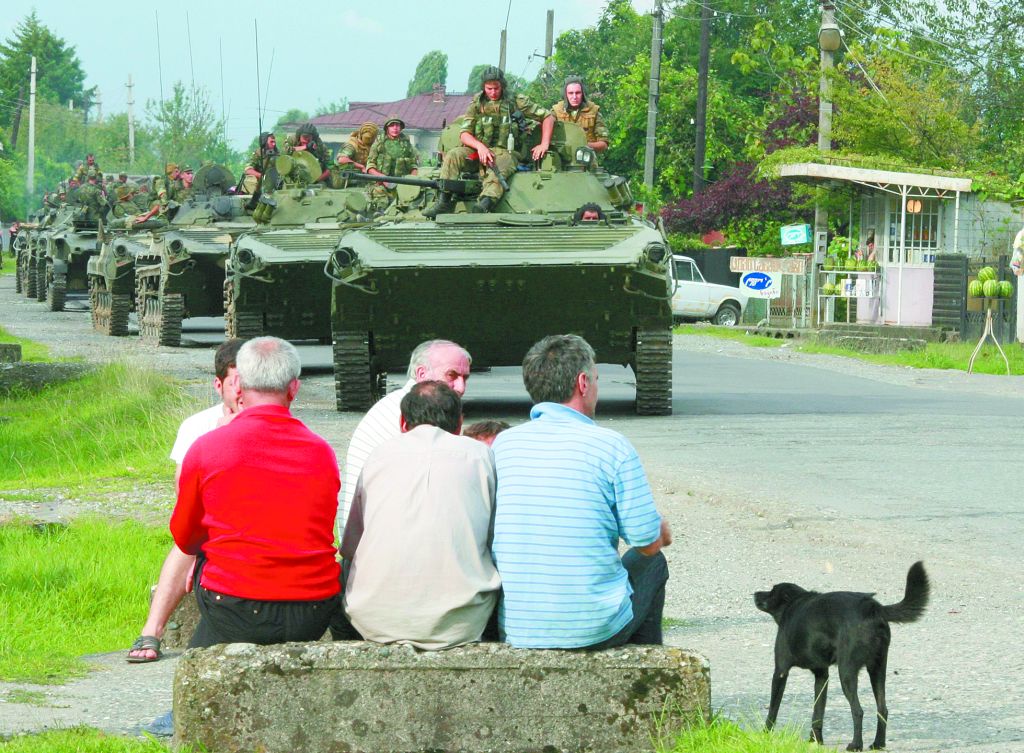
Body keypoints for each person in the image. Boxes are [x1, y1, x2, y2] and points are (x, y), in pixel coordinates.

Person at [491, 334, 672, 649]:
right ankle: (643, 670)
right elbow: (646, 541)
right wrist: (660, 533)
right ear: (583, 383)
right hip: (593, 630)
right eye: (598, 380)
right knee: (654, 564)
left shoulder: (503, 445)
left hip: (519, 629)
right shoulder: (611, 446)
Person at [170, 337, 341, 648]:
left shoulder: (208, 446)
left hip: (234, 606)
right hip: (313, 610)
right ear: (294, 388)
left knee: (206, 558)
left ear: (238, 385)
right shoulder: (321, 451)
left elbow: (185, 537)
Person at [337, 381, 500, 649]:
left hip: (373, 620)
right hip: (462, 622)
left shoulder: (378, 455)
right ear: (459, 424)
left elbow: (351, 546)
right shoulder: (481, 456)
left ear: (403, 423)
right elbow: (495, 539)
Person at [127, 339, 245, 662]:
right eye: (234, 384)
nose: (241, 393)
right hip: (212, 526)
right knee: (185, 546)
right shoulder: (197, 427)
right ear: (218, 384)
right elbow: (185, 498)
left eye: (248, 384)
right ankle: (152, 630)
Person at [340, 339, 472, 533]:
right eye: (452, 375)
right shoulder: (414, 412)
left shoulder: (403, 403)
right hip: (374, 536)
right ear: (421, 374)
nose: (461, 387)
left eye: (465, 377)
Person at [423, 66, 554, 217]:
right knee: (453, 155)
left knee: (501, 165)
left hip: (506, 152)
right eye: (489, 88)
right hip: (478, 152)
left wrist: (544, 144)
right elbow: (464, 134)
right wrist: (480, 147)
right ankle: (444, 202)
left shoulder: (516, 101)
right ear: (483, 87)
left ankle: (484, 203)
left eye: (496, 88)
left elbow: (547, 116)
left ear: (502, 85)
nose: (493, 92)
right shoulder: (477, 104)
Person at [551, 76, 609, 154]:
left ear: (583, 93)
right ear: (565, 94)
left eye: (578, 93)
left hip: (587, 157)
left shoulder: (593, 110)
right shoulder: (556, 111)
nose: (574, 97)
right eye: (571, 93)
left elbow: (604, 144)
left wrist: (584, 146)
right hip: (561, 157)